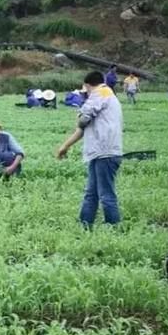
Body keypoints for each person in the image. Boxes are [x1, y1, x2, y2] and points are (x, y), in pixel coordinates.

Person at [57, 71, 123, 227]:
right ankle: (84, 225)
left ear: (87, 85)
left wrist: (80, 112)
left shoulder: (100, 92)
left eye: (85, 90)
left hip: (105, 151)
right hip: (100, 152)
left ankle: (113, 228)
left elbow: (83, 119)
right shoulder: (108, 95)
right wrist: (65, 146)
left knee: (106, 194)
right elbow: (82, 129)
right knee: (91, 193)